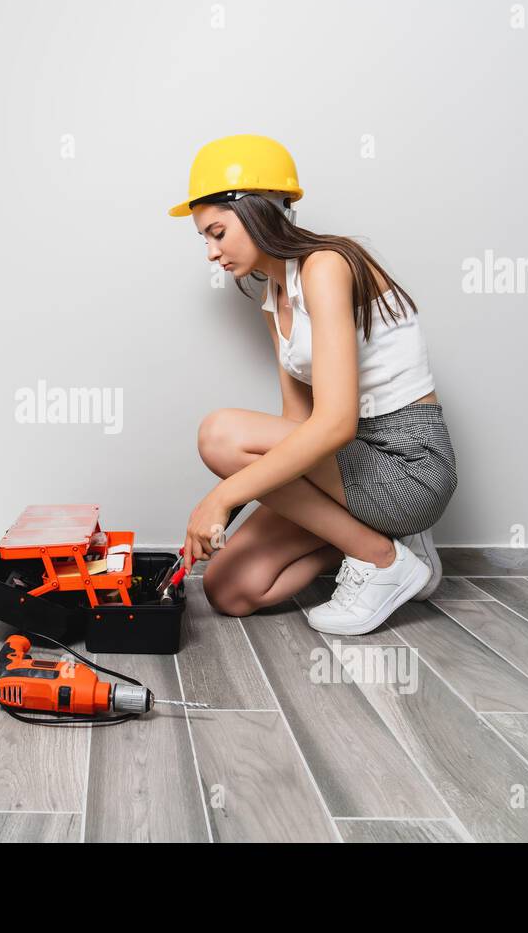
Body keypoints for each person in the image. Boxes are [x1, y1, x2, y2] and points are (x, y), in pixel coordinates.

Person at [168, 134, 458, 635]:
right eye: (205, 240)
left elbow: (336, 424)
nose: (212, 253)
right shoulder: (273, 298)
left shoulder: (327, 266)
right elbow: (296, 425)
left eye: (217, 232)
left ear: (259, 211)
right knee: (231, 589)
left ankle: (383, 561)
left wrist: (220, 497)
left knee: (219, 434)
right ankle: (390, 544)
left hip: (407, 469)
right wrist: (232, 506)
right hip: (349, 471)